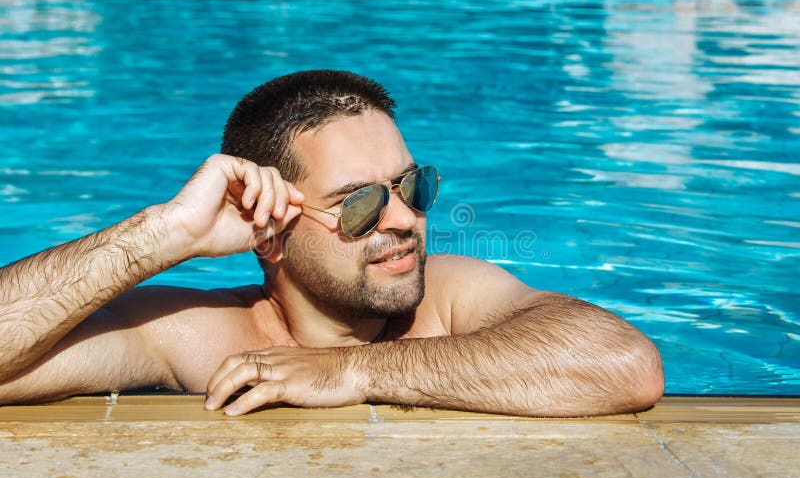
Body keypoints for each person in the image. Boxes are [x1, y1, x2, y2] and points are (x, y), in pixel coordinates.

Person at [0, 70, 663, 417]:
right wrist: (160, 236)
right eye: (360, 203)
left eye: (410, 186)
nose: (403, 219)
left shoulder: (448, 299)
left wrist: (352, 371)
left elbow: (628, 366)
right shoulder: (202, 337)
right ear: (272, 235)